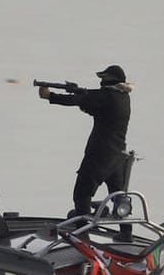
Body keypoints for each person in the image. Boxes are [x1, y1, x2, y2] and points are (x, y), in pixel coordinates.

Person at [38, 65, 133, 219]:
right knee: (118, 197)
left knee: (82, 193)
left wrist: (50, 96)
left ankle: (82, 233)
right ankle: (126, 233)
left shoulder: (106, 96)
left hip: (100, 155)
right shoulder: (123, 97)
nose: (101, 82)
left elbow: (79, 100)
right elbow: (95, 107)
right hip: (118, 156)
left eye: (103, 79)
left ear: (109, 80)